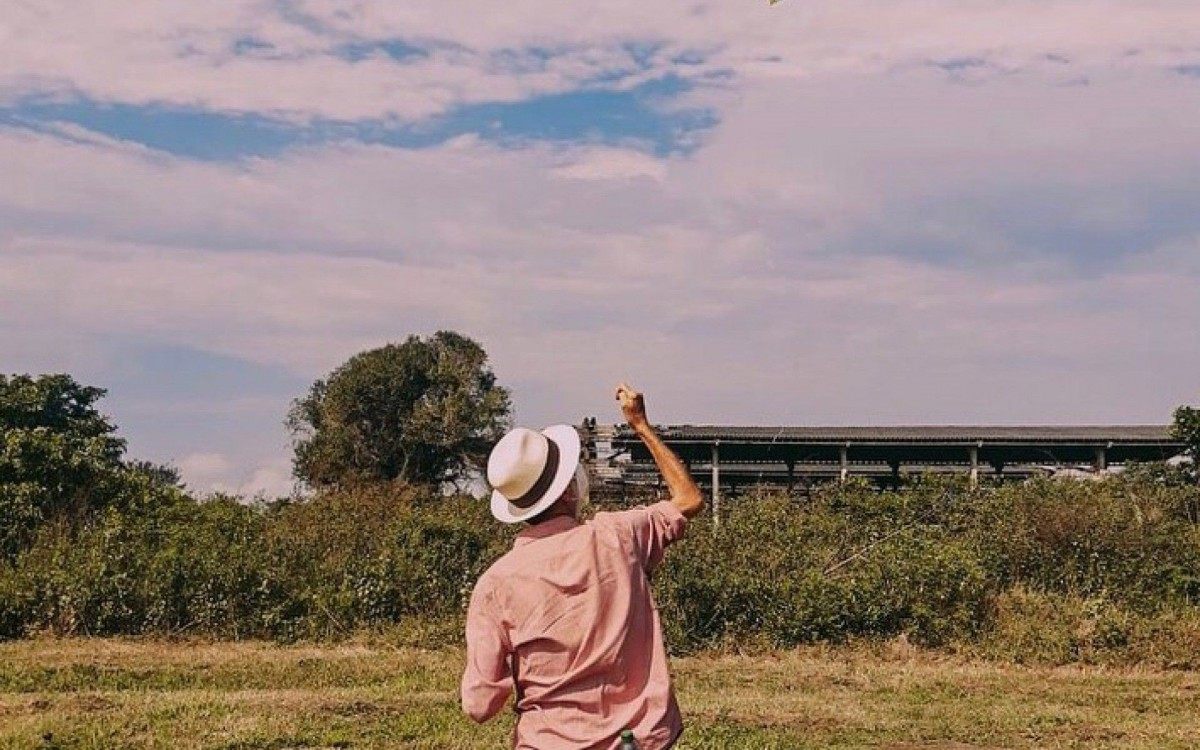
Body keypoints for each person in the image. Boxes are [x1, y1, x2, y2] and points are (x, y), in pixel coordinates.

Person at [461, 383, 704, 750]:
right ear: (568, 490)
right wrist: (640, 425)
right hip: (636, 742)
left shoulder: (494, 585)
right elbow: (688, 498)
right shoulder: (620, 535)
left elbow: (479, 706)